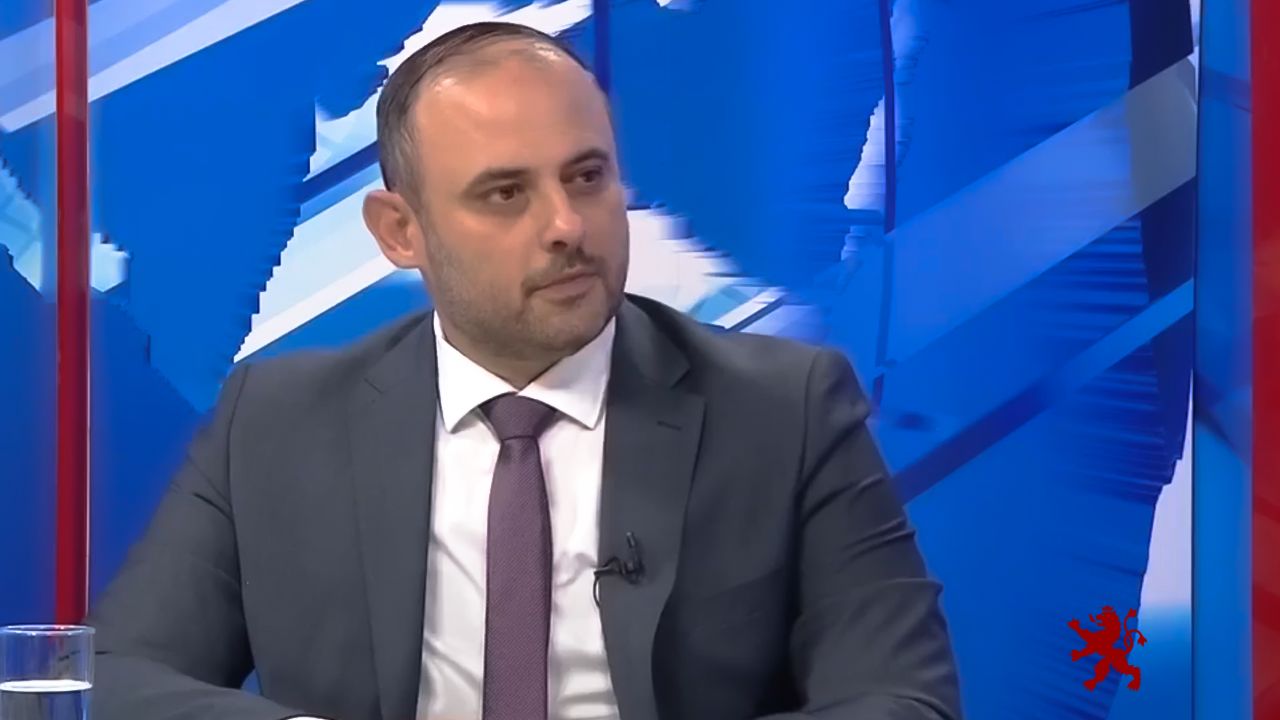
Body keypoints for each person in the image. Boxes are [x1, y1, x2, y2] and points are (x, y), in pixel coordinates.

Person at [87, 21, 962, 720]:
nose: (566, 226)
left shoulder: (785, 410)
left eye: (586, 178)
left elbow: (901, 698)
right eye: (506, 193)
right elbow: (117, 676)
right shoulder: (277, 421)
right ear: (400, 231)